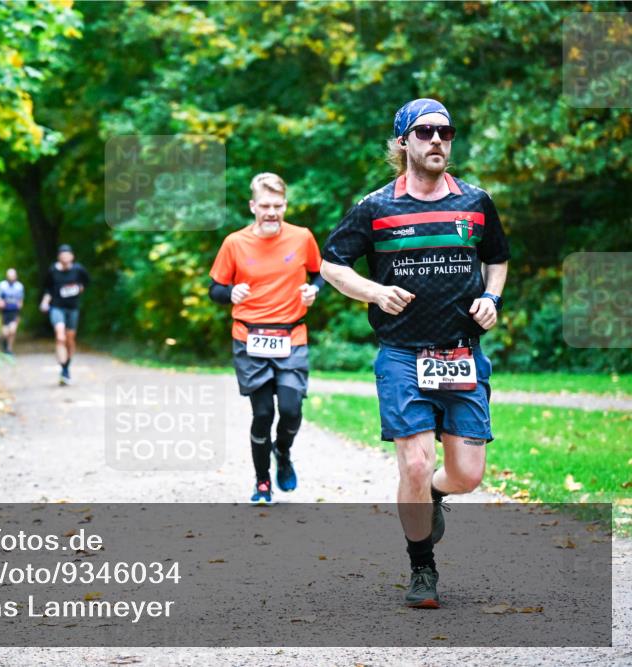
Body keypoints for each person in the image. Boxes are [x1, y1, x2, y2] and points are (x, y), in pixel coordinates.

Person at [319, 99, 510, 608]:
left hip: (463, 353)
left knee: (467, 474)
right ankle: (422, 565)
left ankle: (438, 497)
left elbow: (497, 258)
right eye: (425, 132)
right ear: (403, 141)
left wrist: (491, 298)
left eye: (445, 132)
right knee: (416, 464)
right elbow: (331, 264)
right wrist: (374, 292)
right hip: (403, 354)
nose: (437, 141)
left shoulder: (476, 201)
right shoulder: (377, 206)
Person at [208, 173, 324, 505]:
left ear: (285, 205)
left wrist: (312, 289)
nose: (271, 212)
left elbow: (320, 274)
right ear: (252, 206)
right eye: (265, 206)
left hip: (292, 335)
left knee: (290, 409)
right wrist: (231, 292)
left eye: (277, 206)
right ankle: (262, 483)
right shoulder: (234, 243)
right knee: (262, 414)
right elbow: (214, 289)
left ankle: (283, 453)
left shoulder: (302, 237)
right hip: (249, 339)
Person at [39, 244, 90, 385]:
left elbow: (86, 282)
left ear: (72, 257)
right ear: (59, 257)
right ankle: (63, 368)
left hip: (73, 308)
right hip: (57, 307)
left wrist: (80, 287)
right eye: (62, 255)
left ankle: (67, 366)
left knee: (70, 339)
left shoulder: (78, 270)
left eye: (67, 255)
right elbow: (48, 288)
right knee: (60, 336)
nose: (65, 258)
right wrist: (45, 301)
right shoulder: (53, 271)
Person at [0, 268, 24, 355]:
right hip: (5, 311)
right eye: (10, 276)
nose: (11, 277)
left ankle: (9, 349)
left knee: (13, 331)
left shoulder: (19, 286)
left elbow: (21, 297)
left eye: (13, 275)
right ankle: (5, 344)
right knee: (5, 333)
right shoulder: (2, 285)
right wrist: (0, 302)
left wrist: (20, 304)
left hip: (14, 311)